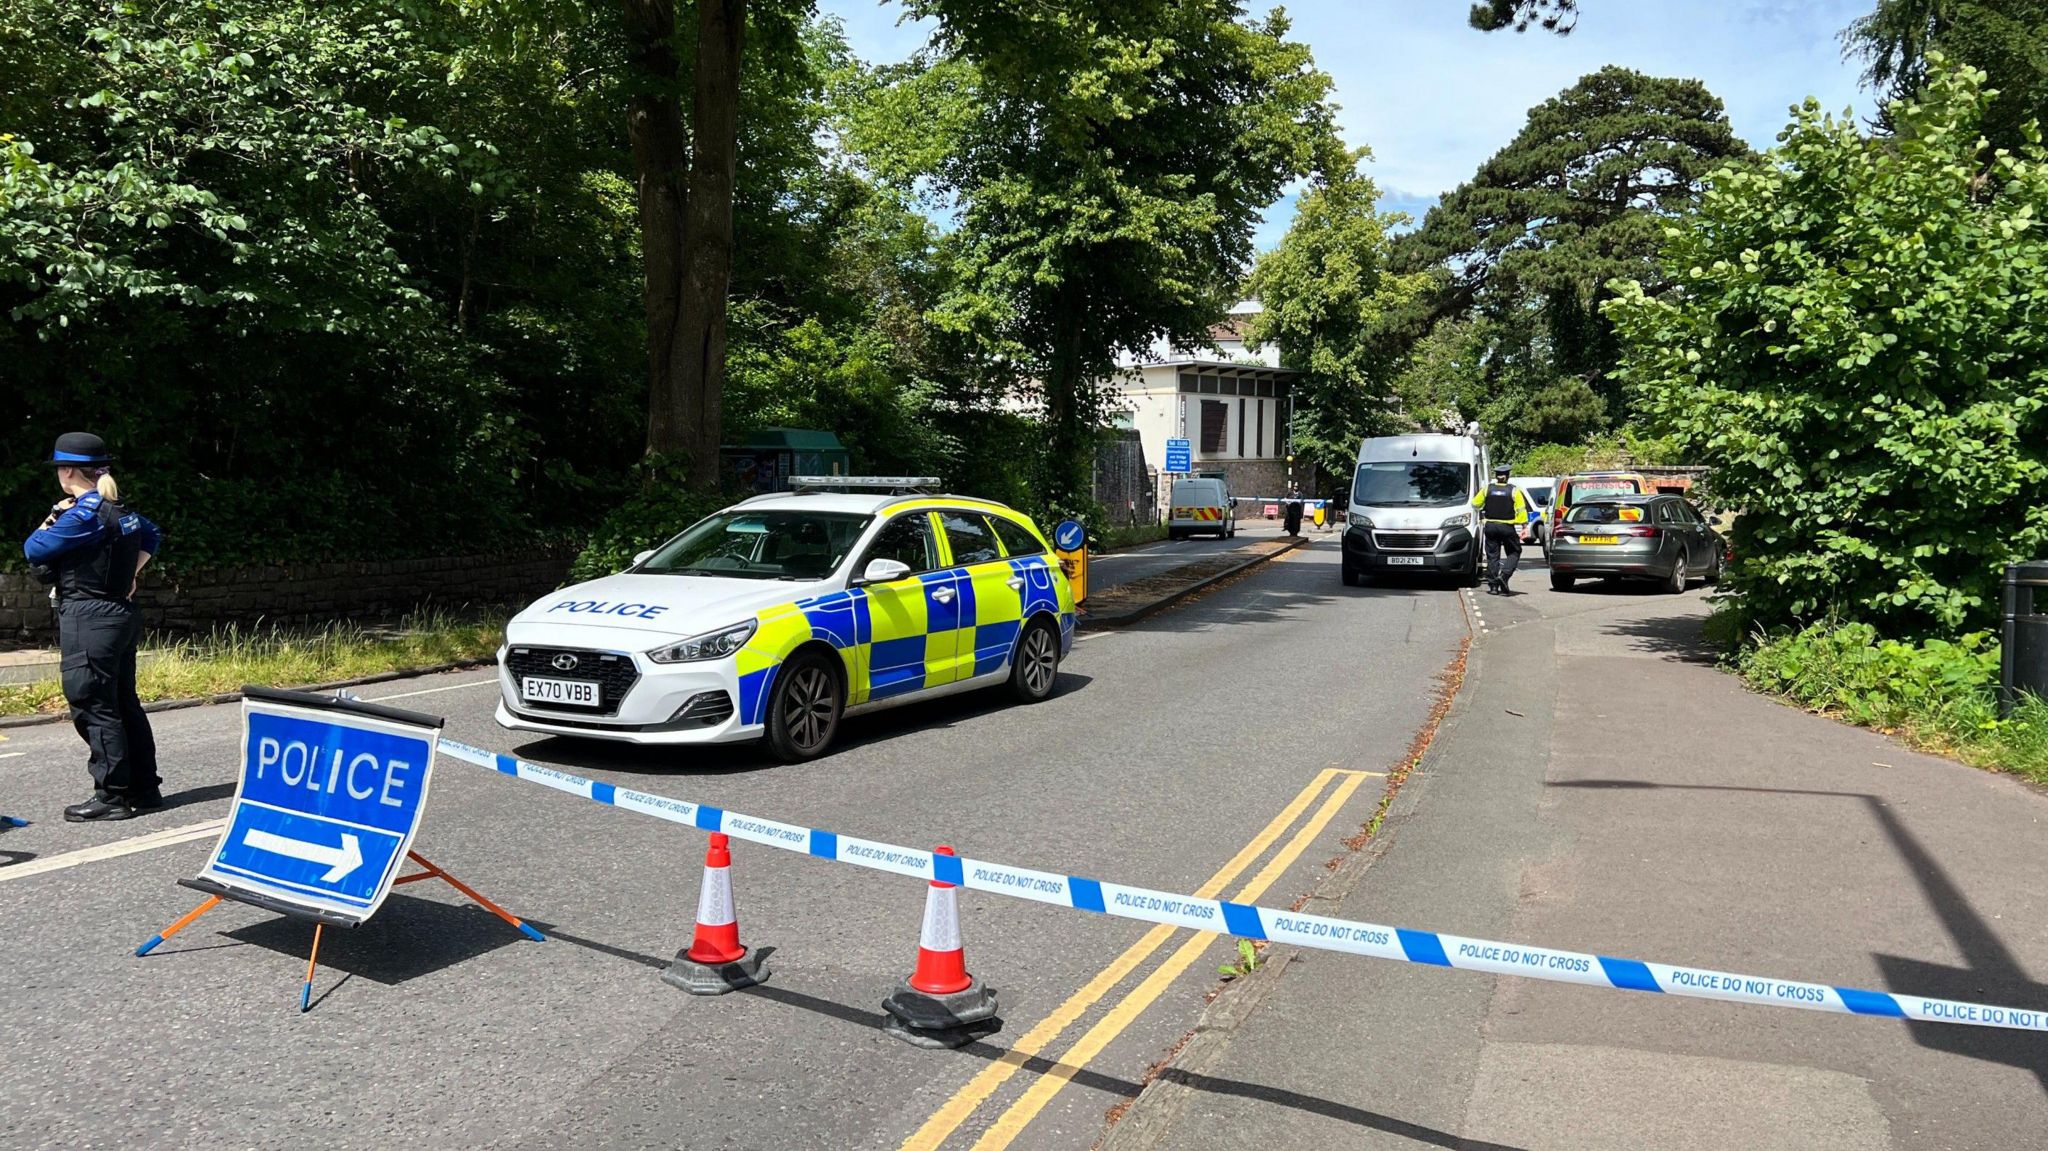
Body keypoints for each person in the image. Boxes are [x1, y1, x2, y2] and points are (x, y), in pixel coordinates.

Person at [23, 432, 163, 821]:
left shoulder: (81, 516)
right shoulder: (118, 512)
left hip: (89, 617)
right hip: (120, 614)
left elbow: (34, 549)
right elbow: (152, 534)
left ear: (67, 471)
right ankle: (145, 788)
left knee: (93, 705)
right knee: (122, 701)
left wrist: (53, 515)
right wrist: (132, 573)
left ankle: (111, 797)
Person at [1471, 463, 1529, 596]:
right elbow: (1521, 510)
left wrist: (1484, 508)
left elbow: (1475, 504)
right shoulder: (1514, 491)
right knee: (1515, 551)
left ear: (1496, 476)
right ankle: (1504, 575)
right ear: (1508, 476)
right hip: (1507, 527)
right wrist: (1525, 526)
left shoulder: (1487, 489)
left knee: (1492, 556)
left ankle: (1493, 587)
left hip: (1490, 526)